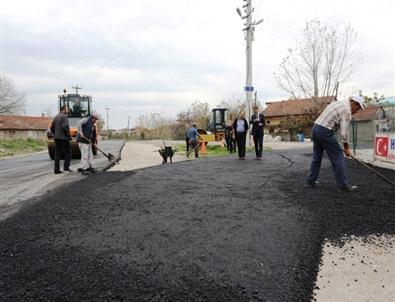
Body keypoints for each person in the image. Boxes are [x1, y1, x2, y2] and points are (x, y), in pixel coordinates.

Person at [306, 95, 365, 192]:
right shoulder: (346, 110)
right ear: (354, 103)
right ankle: (343, 186)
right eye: (358, 108)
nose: (356, 111)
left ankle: (310, 180)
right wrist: (346, 149)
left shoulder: (338, 103)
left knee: (317, 157)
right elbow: (344, 132)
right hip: (324, 131)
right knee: (338, 157)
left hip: (316, 128)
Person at [50, 105, 72, 174]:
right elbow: (65, 127)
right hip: (64, 138)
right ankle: (66, 167)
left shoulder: (56, 116)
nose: (68, 111)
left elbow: (52, 127)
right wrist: (69, 135)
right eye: (67, 109)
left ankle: (56, 170)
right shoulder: (64, 116)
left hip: (56, 138)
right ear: (64, 110)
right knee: (68, 152)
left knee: (57, 154)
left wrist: (55, 133)